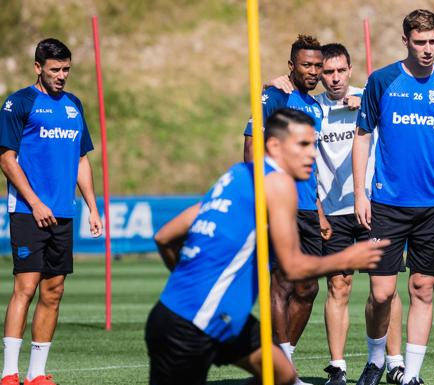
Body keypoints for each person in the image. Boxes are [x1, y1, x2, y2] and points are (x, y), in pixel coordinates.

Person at [146, 108, 388, 385]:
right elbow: (293, 267)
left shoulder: (238, 175)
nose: (312, 154)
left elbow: (164, 237)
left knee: (282, 375)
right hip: (189, 327)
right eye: (303, 145)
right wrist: (347, 259)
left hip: (217, 318)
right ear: (274, 145)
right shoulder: (278, 183)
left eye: (314, 144)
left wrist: (188, 281)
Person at [352, 10, 434, 385]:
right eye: (421, 42)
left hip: (433, 206)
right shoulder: (382, 81)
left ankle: (411, 375)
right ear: (405, 40)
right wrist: (361, 192)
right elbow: (362, 136)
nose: (428, 50)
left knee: (423, 288)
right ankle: (376, 360)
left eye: (433, 42)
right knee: (381, 293)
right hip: (387, 204)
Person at [271, 43, 407, 385]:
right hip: (332, 213)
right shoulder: (312, 107)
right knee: (338, 286)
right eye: (327, 72)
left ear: (350, 69)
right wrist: (276, 83)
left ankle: (394, 361)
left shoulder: (369, 97)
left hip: (375, 206)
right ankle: (338, 366)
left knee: (385, 290)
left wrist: (368, 106)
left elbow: (402, 121)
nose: (333, 78)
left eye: (339, 71)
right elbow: (280, 104)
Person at [0, 38, 103, 385]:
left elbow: (81, 159)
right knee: (25, 287)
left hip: (64, 212)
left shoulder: (74, 105)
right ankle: (9, 372)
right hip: (29, 211)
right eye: (55, 69)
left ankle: (36, 374)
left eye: (66, 70)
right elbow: (6, 159)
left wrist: (92, 206)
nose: (62, 76)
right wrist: (35, 201)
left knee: (54, 290)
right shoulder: (19, 103)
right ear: (38, 68)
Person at [243, 35, 324, 385]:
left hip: (308, 206)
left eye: (317, 65)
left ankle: (280, 364)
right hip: (278, 201)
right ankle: (282, 371)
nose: (314, 71)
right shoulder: (272, 96)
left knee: (308, 288)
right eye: (306, 64)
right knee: (282, 283)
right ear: (291, 65)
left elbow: (314, 164)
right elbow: (251, 145)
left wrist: (319, 208)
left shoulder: (316, 105)